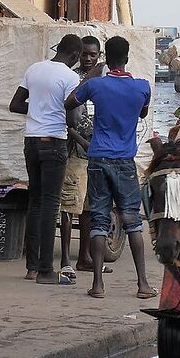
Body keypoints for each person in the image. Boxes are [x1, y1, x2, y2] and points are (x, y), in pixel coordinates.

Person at [65, 36, 156, 300]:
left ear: (106, 57)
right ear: (127, 57)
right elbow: (141, 113)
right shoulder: (141, 87)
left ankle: (98, 285)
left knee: (98, 219)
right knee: (131, 221)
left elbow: (69, 102)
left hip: (97, 159)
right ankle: (142, 284)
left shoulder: (95, 85)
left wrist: (91, 76)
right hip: (124, 161)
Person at [9, 34, 82, 284]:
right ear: (74, 56)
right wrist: (58, 112)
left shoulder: (34, 68)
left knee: (36, 202)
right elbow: (73, 120)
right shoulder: (71, 77)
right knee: (51, 206)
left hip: (31, 141)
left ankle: (31, 267)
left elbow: (15, 104)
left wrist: (39, 109)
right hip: (54, 142)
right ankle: (46, 271)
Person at [59, 36, 113, 283]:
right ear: (78, 54)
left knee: (91, 208)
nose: (89, 58)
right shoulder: (73, 80)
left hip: (97, 151)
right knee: (71, 206)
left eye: (93, 55)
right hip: (77, 151)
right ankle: (65, 262)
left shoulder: (105, 81)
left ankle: (86, 257)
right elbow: (65, 120)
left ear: (100, 55)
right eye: (85, 54)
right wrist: (84, 143)